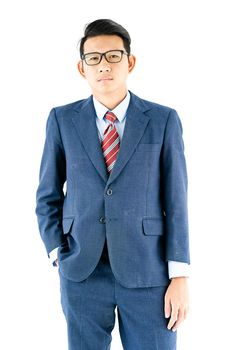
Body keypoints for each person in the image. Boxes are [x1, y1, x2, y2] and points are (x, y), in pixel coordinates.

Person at [35, 18, 190, 350]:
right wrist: (57, 254)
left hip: (149, 271)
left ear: (130, 62)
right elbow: (47, 196)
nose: (103, 65)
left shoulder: (163, 120)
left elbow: (176, 202)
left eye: (113, 56)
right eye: (94, 58)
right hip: (82, 271)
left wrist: (180, 275)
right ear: (82, 68)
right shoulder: (62, 120)